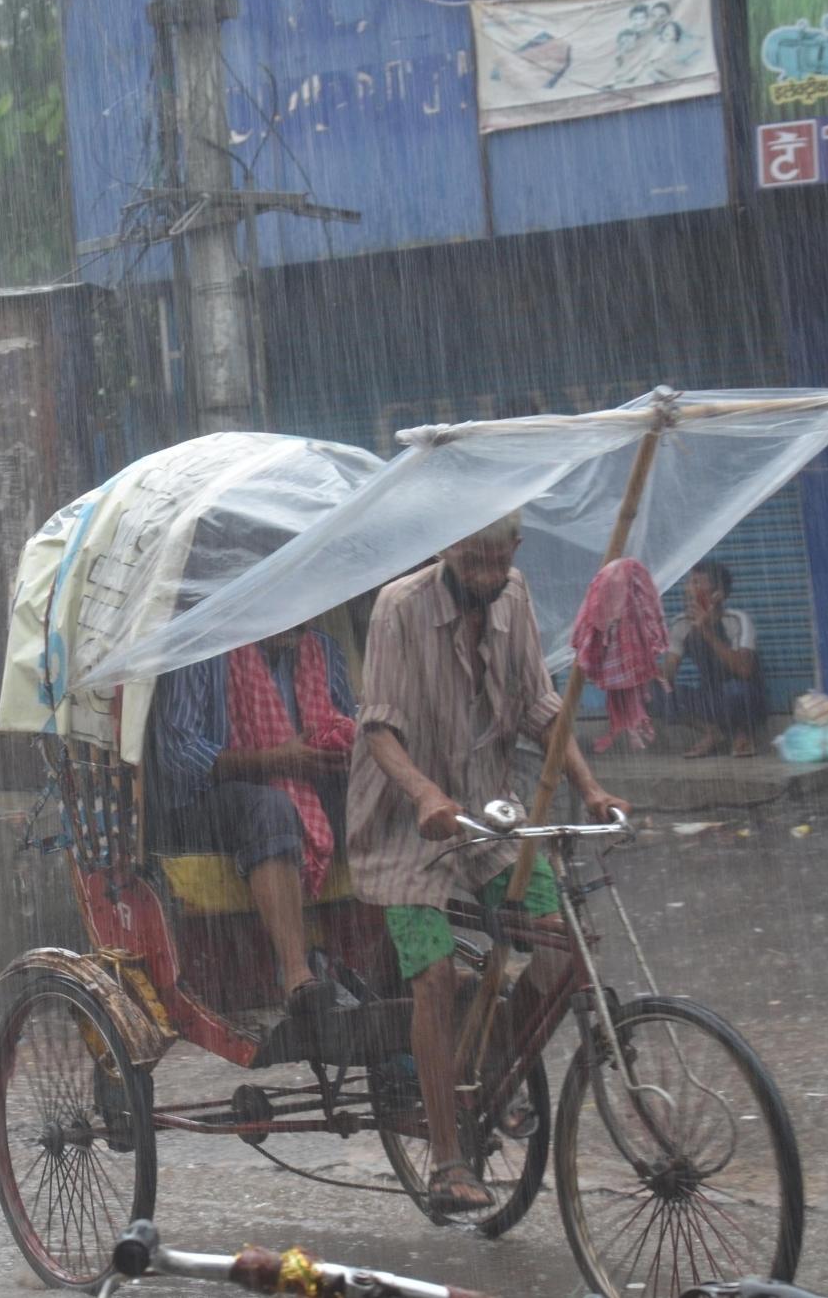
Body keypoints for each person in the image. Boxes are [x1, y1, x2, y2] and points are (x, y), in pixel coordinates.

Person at [347, 513, 629, 1213]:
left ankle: (495, 1062)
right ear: (444, 546)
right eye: (471, 560)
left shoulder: (515, 594)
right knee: (436, 975)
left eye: (495, 560)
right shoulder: (398, 607)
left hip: (491, 817)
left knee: (563, 954)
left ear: (515, 549)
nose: (483, 576)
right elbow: (378, 725)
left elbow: (540, 704)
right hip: (403, 826)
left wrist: (589, 787)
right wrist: (422, 792)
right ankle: (446, 1161)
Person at [151, 621, 358, 1031]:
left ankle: (383, 966)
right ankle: (297, 976)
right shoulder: (205, 650)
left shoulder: (322, 650)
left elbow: (346, 718)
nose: (295, 623)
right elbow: (177, 755)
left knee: (371, 803)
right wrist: (272, 761)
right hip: (205, 800)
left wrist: (340, 747)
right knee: (270, 806)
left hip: (304, 783)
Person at [657, 560, 766, 758]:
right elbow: (669, 674)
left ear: (718, 595)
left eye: (697, 583)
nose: (688, 589)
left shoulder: (737, 620)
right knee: (647, 692)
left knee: (735, 691)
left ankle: (743, 734)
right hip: (709, 697)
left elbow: (744, 670)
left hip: (743, 695)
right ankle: (712, 733)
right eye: (689, 582)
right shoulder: (681, 624)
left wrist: (706, 630)